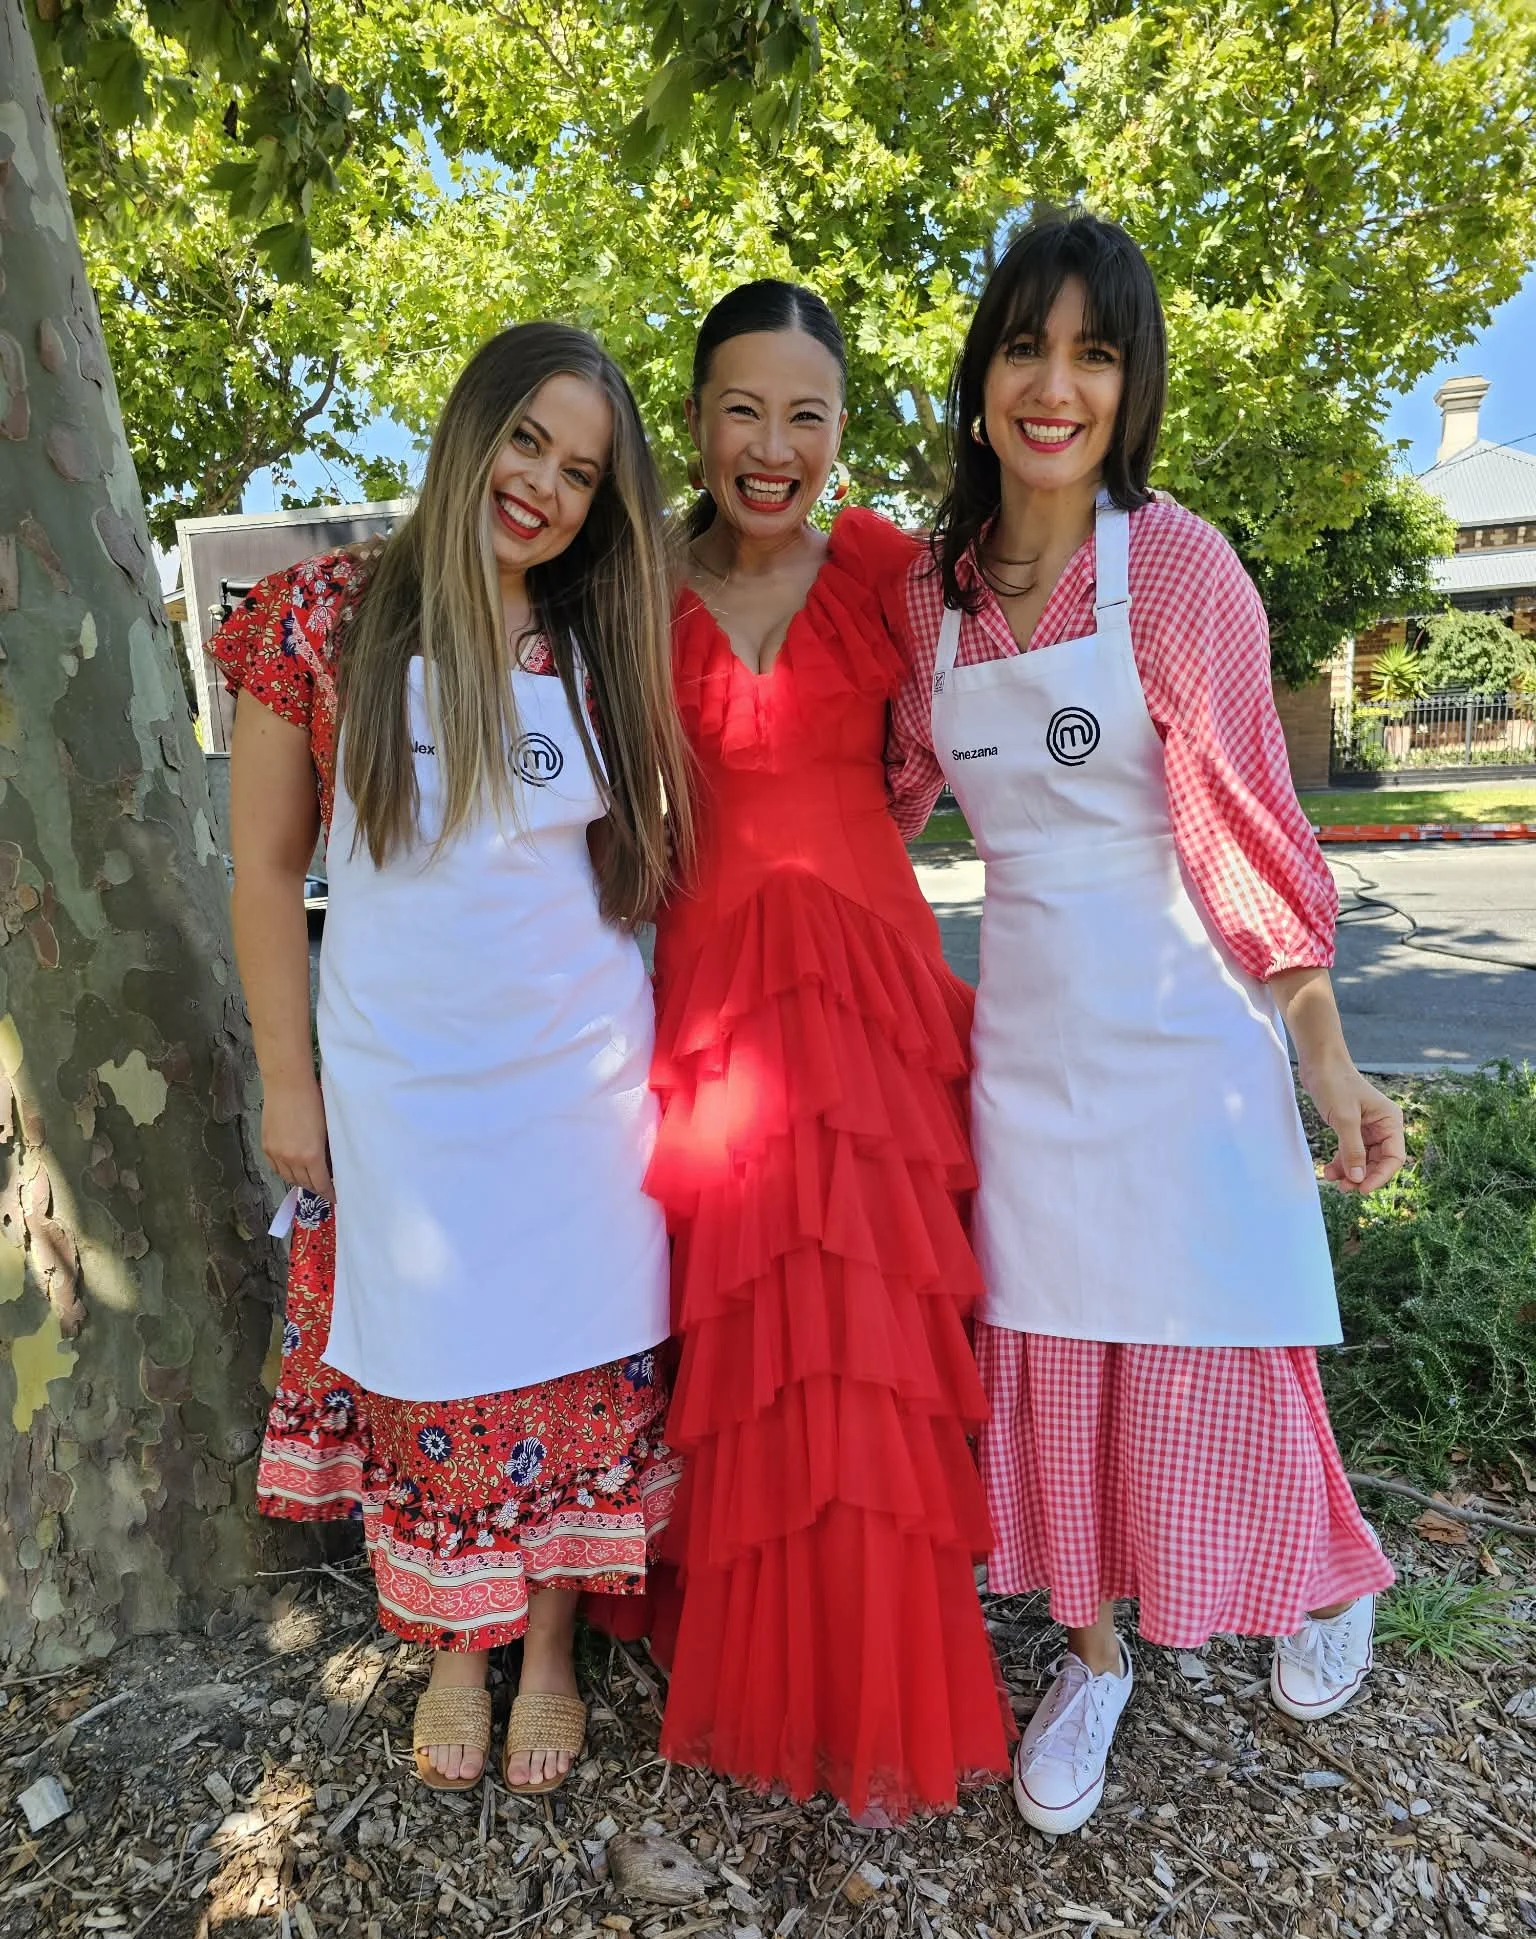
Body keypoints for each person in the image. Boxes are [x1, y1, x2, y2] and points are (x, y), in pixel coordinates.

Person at [888, 211, 1405, 1836]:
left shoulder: (1174, 564)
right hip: (1027, 1051)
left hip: (1185, 1034)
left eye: (1094, 354)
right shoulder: (927, 599)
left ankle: (1334, 1577)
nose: (1055, 386)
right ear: (979, 378)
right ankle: (1093, 1650)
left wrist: (1322, 1053)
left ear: (1130, 385)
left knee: (1213, 1353)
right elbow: (875, 802)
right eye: (1026, 347)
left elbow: (1248, 825)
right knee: (1050, 1356)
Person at [215, 323, 692, 1796]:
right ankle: (456, 1653)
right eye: (528, 440)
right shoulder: (317, 620)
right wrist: (288, 1085)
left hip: (581, 1093)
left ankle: (549, 1649)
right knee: (439, 1387)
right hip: (405, 1095)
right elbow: (261, 880)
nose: (544, 486)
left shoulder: (601, 640)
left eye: (583, 472)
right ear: (470, 424)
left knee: (574, 1376)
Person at [628, 280, 1014, 1823]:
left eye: (808, 414)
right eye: (744, 409)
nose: (773, 445)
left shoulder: (887, 573)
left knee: (874, 1348)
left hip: (868, 1002)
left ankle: (883, 1675)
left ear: (843, 433)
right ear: (698, 420)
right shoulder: (631, 587)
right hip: (718, 1010)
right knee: (750, 1354)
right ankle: (762, 1661)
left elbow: (992, 700)